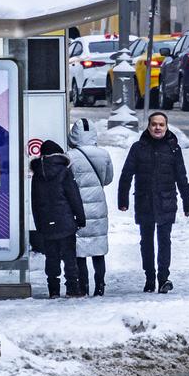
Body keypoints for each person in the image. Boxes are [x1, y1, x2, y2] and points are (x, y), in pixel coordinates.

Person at [118, 111, 189, 293]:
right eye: (154, 124)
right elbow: (126, 175)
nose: (157, 128)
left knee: (164, 240)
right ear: (149, 127)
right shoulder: (138, 148)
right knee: (146, 241)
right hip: (144, 201)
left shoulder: (174, 148)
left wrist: (188, 202)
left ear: (166, 127)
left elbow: (181, 177)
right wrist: (123, 199)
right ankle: (150, 277)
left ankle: (163, 278)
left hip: (166, 200)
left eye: (161, 124)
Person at [31, 140, 86, 298]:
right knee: (69, 257)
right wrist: (80, 218)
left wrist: (39, 224)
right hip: (65, 221)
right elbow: (74, 197)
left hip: (46, 222)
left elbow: (35, 202)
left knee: (51, 257)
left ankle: (53, 290)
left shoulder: (37, 174)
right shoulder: (64, 171)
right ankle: (72, 289)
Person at [67, 119, 114, 297]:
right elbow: (108, 179)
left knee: (80, 250)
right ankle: (100, 285)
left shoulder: (69, 156)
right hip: (98, 207)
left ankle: (83, 285)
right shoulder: (104, 154)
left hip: (77, 207)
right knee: (98, 249)